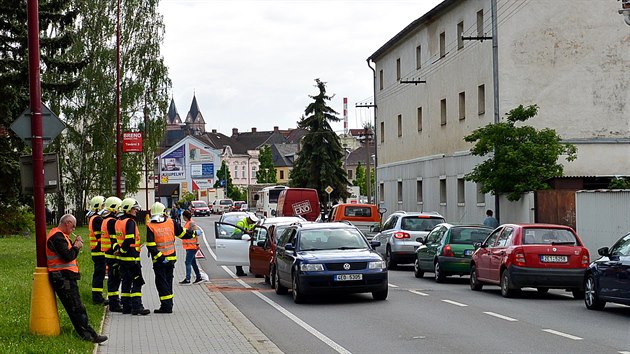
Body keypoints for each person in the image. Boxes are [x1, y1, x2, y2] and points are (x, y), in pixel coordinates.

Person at [46, 214, 108, 343]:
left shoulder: (60, 236)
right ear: (67, 223)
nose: (73, 229)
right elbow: (68, 256)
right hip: (63, 277)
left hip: (64, 276)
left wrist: (74, 245)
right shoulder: (57, 237)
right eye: (73, 226)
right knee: (76, 307)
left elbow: (67, 254)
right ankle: (89, 336)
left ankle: (86, 333)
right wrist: (77, 246)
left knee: (75, 306)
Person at [145, 202, 195, 313]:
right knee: (168, 281)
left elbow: (151, 246)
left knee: (161, 282)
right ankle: (169, 304)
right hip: (171, 258)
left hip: (159, 261)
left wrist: (161, 258)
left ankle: (166, 306)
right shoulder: (171, 222)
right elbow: (182, 233)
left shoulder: (150, 226)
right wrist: (194, 233)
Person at [115, 198, 150, 315]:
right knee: (137, 282)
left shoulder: (118, 221)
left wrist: (119, 251)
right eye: (134, 208)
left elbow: (116, 239)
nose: (136, 210)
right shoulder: (130, 222)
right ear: (128, 209)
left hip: (122, 260)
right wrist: (123, 250)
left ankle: (126, 307)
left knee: (125, 282)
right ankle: (137, 307)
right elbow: (129, 238)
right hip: (132, 258)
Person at [101, 196, 123, 312]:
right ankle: (114, 304)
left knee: (113, 278)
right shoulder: (112, 222)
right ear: (114, 208)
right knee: (114, 279)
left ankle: (114, 301)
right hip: (113, 254)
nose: (120, 210)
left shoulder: (106, 220)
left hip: (108, 254)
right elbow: (115, 239)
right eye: (119, 208)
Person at [87, 195, 107, 304]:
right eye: (103, 205)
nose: (104, 207)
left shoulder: (93, 218)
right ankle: (97, 297)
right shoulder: (98, 219)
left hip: (97, 250)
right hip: (99, 250)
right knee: (99, 274)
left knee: (99, 273)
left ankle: (97, 296)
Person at [180, 210, 203, 285]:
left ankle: (187, 279)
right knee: (193, 263)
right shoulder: (188, 223)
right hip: (189, 246)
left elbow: (196, 233)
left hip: (192, 246)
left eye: (183, 216)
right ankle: (198, 277)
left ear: (185, 216)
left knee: (187, 262)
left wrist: (197, 243)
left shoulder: (191, 223)